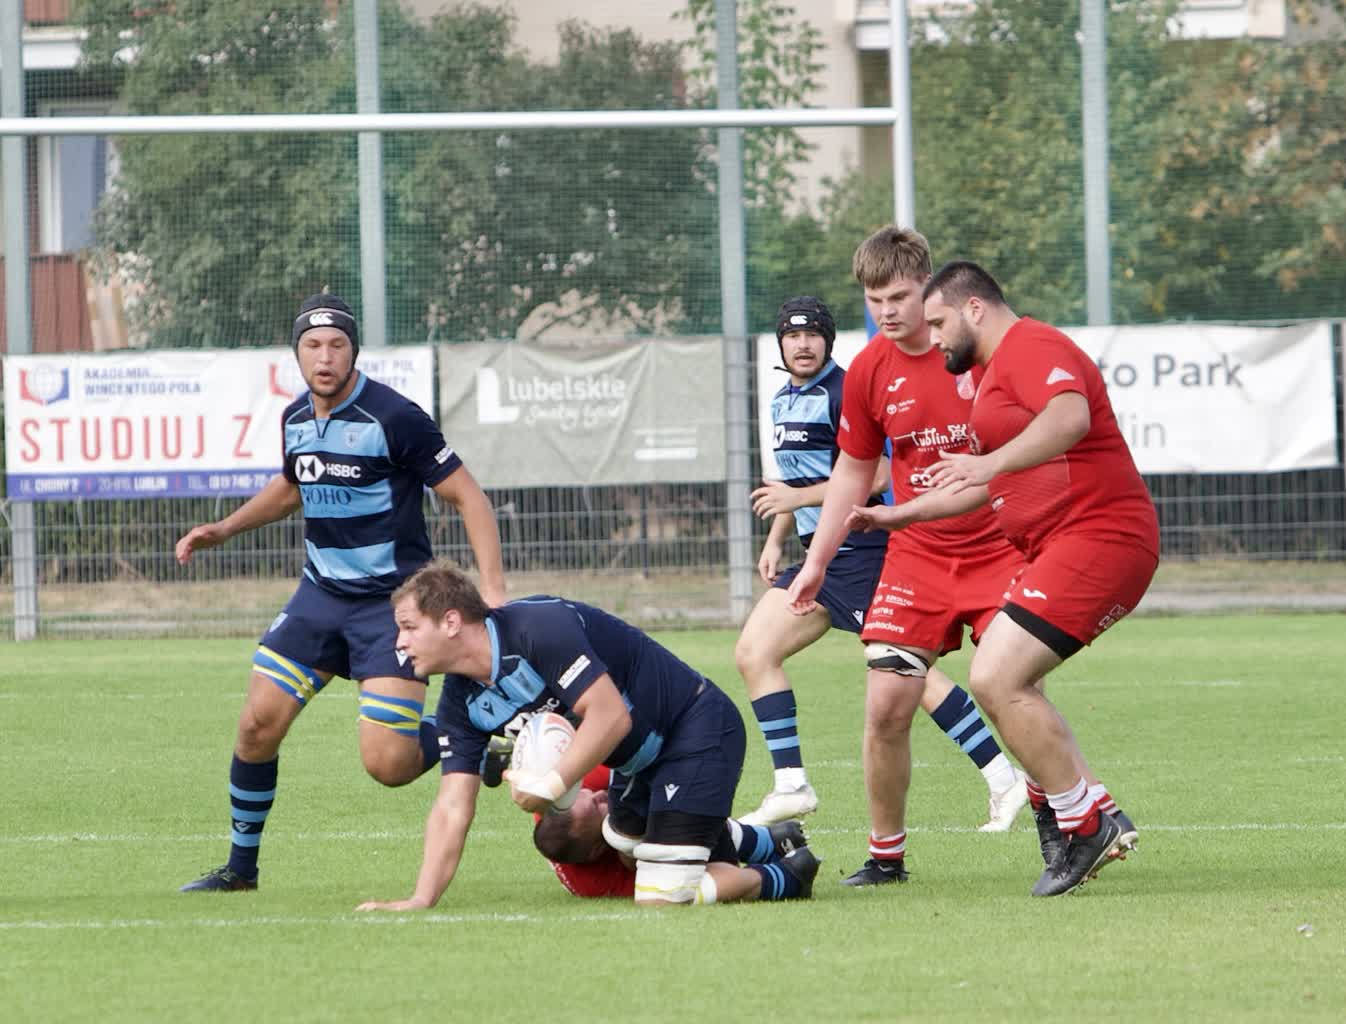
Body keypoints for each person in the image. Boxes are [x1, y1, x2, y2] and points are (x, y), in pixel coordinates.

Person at [176, 294, 506, 892]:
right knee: (256, 726)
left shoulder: (394, 417)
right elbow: (292, 485)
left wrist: (494, 591)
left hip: (393, 607)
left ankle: (470, 741)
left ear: (353, 352)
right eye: (312, 345)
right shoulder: (295, 418)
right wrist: (224, 528)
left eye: (336, 345)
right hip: (320, 596)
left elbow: (469, 496)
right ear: (297, 353)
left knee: (388, 765)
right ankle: (240, 870)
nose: (324, 357)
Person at [783, 227, 1033, 888]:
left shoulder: (980, 355)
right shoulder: (869, 369)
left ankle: (1064, 820)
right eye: (874, 300)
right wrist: (816, 562)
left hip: (997, 548)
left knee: (1013, 689)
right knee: (887, 706)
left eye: (899, 296)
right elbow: (851, 472)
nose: (887, 311)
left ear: (929, 287)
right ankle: (886, 856)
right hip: (916, 557)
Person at [355, 562, 820, 911]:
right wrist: (420, 899)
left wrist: (550, 785)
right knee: (620, 839)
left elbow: (611, 717)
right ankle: (761, 839)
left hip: (695, 730)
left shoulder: (538, 627)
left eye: (409, 627)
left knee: (661, 897)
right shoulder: (460, 702)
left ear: (451, 621)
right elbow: (452, 806)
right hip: (637, 765)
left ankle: (788, 876)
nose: (399, 643)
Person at [902, 260, 1157, 896]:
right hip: (1062, 548)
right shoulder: (992, 373)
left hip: (1100, 539)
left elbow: (1069, 418)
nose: (933, 337)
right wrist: (896, 515)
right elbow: (990, 477)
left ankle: (1085, 822)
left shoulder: (1031, 345)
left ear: (975, 308)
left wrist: (987, 463)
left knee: (996, 675)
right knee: (1015, 680)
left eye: (939, 322)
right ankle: (1095, 809)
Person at [737, 296, 1028, 833]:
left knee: (910, 673)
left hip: (862, 552)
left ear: (828, 340)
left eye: (812, 334)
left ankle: (1004, 777)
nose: (803, 344)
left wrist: (797, 501)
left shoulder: (843, 392)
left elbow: (874, 476)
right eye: (792, 335)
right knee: (755, 652)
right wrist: (778, 537)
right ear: (780, 343)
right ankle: (791, 785)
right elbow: (792, 483)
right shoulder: (781, 400)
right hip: (822, 558)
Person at [532, 763, 809, 901]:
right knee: (674, 890)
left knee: (658, 804)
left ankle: (762, 842)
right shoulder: (594, 882)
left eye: (590, 794)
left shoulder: (573, 791)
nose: (600, 794)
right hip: (632, 853)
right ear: (596, 850)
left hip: (691, 750)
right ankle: (789, 875)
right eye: (597, 806)